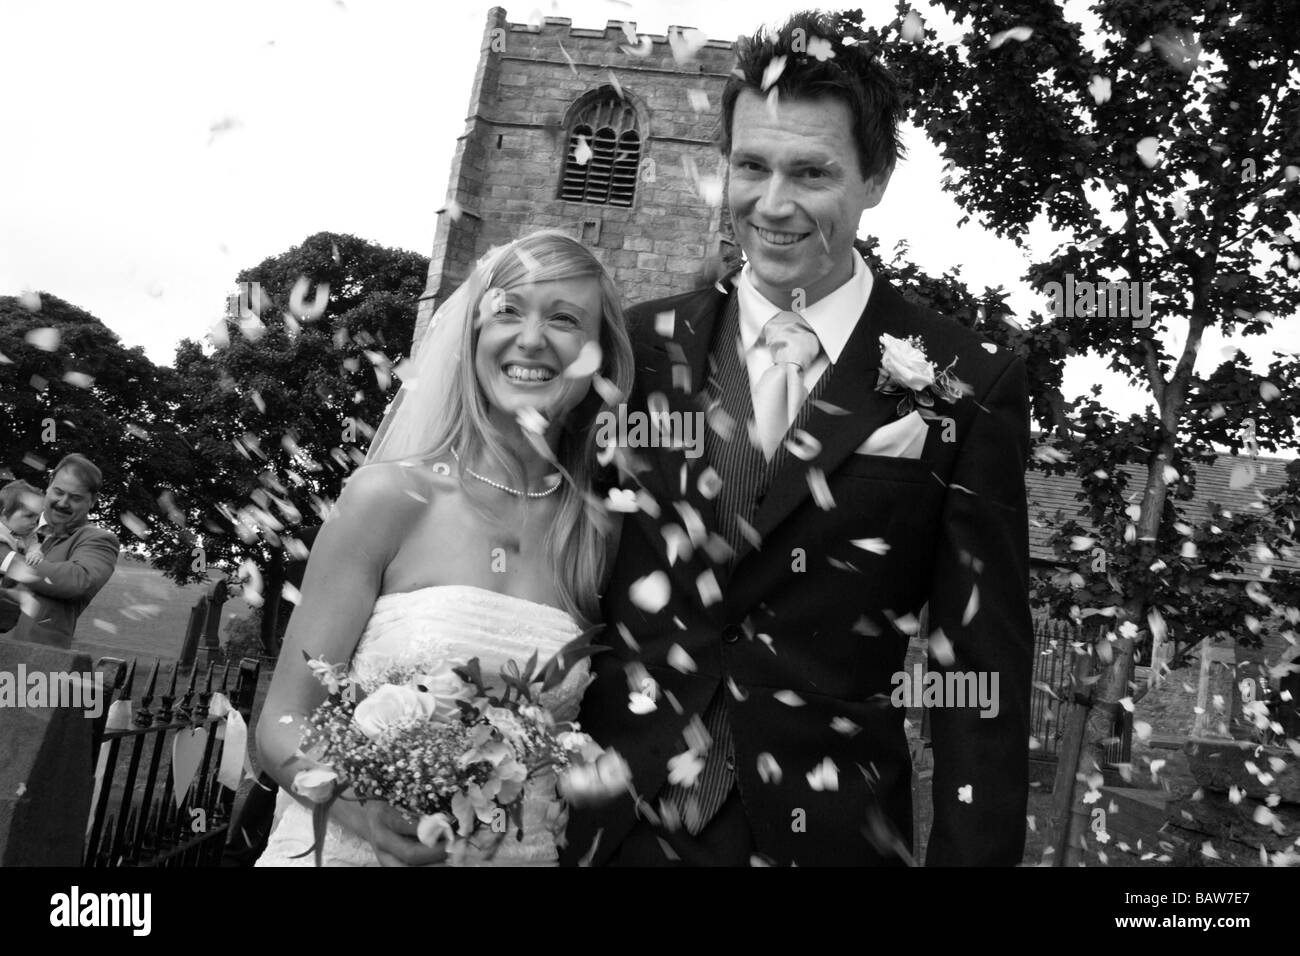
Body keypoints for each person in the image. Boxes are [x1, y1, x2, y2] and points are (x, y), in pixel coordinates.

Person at [562, 12, 1033, 866]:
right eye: (751, 166)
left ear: (877, 177)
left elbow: (980, 663)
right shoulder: (634, 350)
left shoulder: (969, 383)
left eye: (811, 172)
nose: (772, 206)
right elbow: (559, 577)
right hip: (610, 828)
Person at [254, 230, 635, 866]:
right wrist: (361, 810)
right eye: (507, 310)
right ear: (472, 335)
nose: (532, 338)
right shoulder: (388, 498)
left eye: (565, 320)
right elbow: (283, 722)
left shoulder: (600, 534)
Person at [0, 455, 121, 647]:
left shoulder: (98, 540)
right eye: (58, 492)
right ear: (49, 484)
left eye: (75, 498)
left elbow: (78, 580)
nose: (63, 503)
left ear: (93, 501)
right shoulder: (12, 518)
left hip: (31, 666)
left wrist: (6, 559)